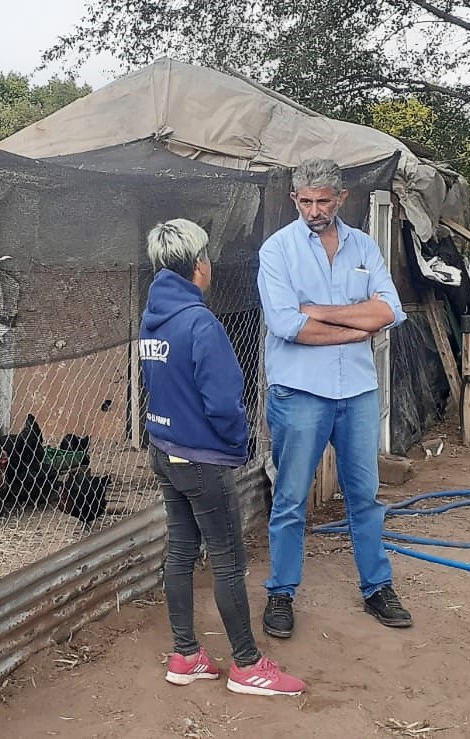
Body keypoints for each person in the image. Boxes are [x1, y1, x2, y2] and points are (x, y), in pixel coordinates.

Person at [140, 218, 305, 697]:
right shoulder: (200, 323)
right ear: (199, 265)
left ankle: (186, 654)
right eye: (208, 257)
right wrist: (238, 446)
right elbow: (224, 400)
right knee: (229, 562)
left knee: (181, 551)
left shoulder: (154, 318)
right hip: (202, 459)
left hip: (164, 451)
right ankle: (248, 665)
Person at [257, 158, 412, 638]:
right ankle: (281, 593)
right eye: (305, 201)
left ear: (342, 199)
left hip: (357, 391)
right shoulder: (277, 250)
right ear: (294, 199)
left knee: (364, 496)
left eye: (324, 200)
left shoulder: (364, 245)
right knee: (290, 498)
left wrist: (321, 313)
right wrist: (355, 325)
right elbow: (287, 326)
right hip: (300, 392)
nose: (314, 210)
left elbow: (390, 310)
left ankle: (376, 587)